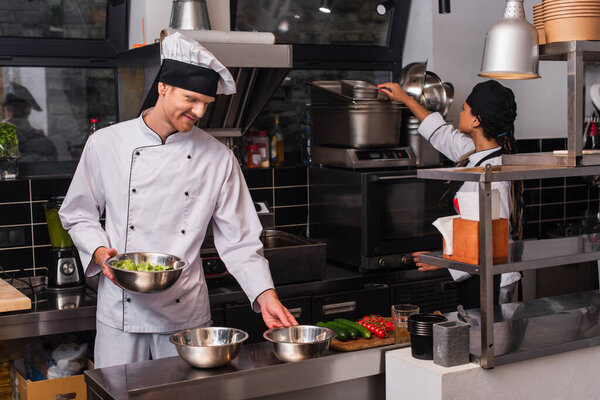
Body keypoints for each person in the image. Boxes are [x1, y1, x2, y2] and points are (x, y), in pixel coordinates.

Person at [59, 32, 298, 368]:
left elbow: (241, 240)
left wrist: (265, 294)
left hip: (185, 315)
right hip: (120, 312)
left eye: (206, 104)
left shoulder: (218, 158)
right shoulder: (106, 143)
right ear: (163, 87)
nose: (199, 111)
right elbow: (78, 214)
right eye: (191, 99)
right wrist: (99, 251)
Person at [377, 79, 522, 309]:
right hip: (475, 271)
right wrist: (405, 99)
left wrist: (445, 261)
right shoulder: (474, 153)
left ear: (476, 120)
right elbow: (441, 133)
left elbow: (495, 241)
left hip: (493, 278)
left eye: (464, 109)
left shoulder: (494, 175)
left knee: (489, 340)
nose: (460, 114)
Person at [2, 82, 57, 162]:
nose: (12, 112)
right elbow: (7, 165)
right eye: (9, 109)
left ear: (26, 109)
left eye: (17, 107)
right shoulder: (5, 134)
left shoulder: (42, 142)